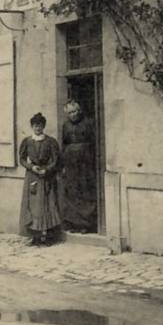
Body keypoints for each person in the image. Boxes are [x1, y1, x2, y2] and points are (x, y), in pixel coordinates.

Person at [19, 112, 62, 246]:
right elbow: (21, 159)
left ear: (44, 126)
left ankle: (49, 236)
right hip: (32, 176)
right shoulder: (27, 141)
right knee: (33, 206)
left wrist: (47, 169)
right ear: (32, 126)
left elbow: (56, 160)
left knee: (48, 204)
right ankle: (35, 236)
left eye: (40, 125)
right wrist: (31, 167)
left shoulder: (50, 141)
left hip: (46, 176)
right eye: (35, 125)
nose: (38, 128)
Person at [60, 99, 98, 234]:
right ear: (67, 114)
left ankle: (86, 224)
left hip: (85, 163)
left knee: (85, 191)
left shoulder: (88, 123)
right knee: (72, 192)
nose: (73, 114)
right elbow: (64, 144)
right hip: (71, 163)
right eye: (70, 112)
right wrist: (63, 164)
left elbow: (95, 142)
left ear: (79, 110)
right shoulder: (65, 126)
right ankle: (74, 223)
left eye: (75, 111)